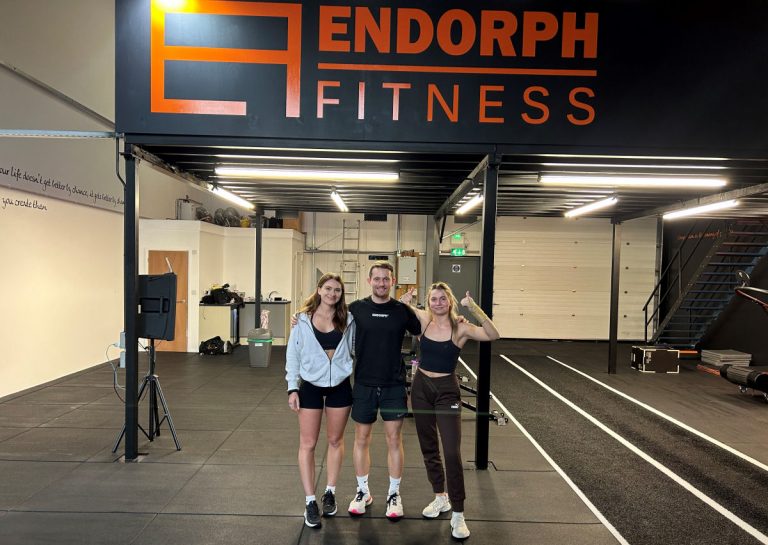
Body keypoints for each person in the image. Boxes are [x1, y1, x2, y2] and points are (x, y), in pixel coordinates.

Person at [400, 282, 500, 540]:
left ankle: (458, 512)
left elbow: (493, 334)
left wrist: (474, 307)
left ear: (450, 300)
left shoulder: (461, 327)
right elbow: (402, 309)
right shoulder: (424, 320)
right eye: (433, 299)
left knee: (452, 451)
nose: (438, 303)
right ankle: (440, 497)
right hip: (421, 387)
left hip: (446, 389)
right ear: (429, 301)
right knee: (428, 445)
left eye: (442, 298)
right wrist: (405, 300)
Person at [346, 261, 421, 519]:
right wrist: (299, 316)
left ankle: (394, 494)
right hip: (365, 383)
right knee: (361, 439)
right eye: (376, 279)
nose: (381, 283)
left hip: (393, 384)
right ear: (369, 281)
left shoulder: (402, 310)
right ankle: (363, 491)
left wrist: (412, 304)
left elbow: (425, 327)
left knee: (394, 440)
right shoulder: (356, 308)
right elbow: (324, 314)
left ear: (393, 281)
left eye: (385, 279)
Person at [285, 273, 355, 528]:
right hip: (310, 387)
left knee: (335, 440)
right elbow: (293, 355)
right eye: (328, 288)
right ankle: (310, 501)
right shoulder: (302, 320)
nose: (332, 294)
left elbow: (356, 346)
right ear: (319, 290)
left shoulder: (348, 319)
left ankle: (330, 493)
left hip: (340, 387)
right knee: (308, 443)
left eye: (337, 290)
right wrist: (293, 388)